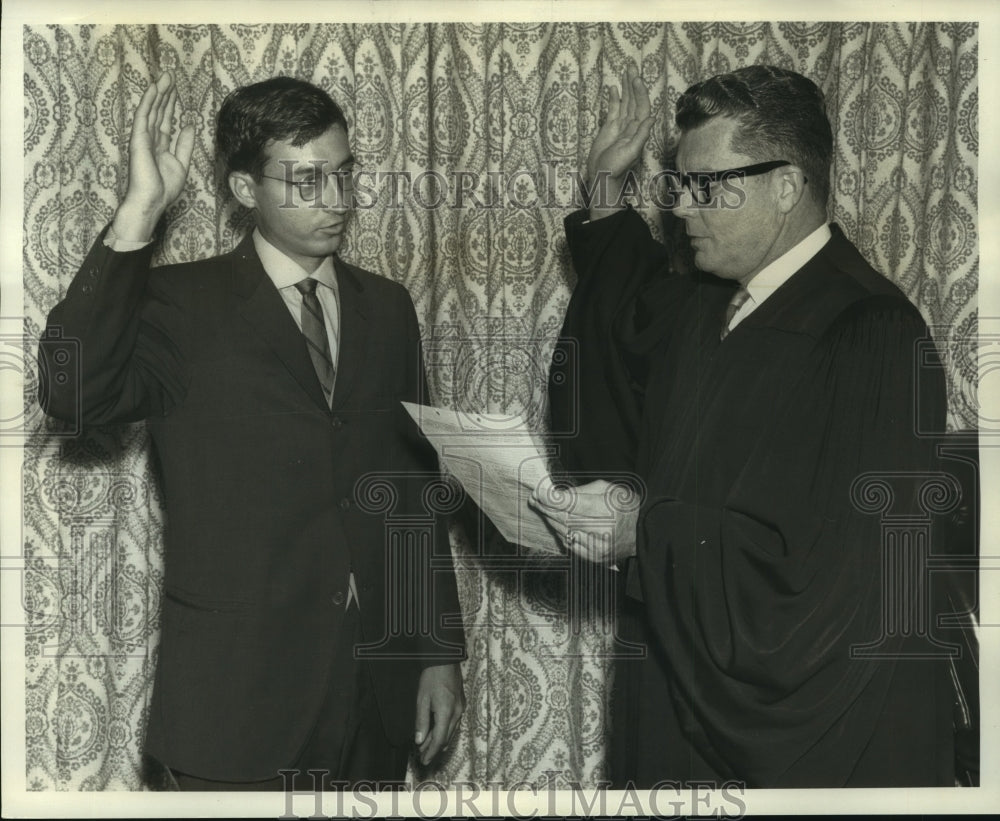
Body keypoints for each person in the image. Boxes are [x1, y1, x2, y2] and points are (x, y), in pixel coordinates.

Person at [38, 73, 465, 790]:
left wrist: (437, 651)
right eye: (306, 181)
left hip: (372, 700)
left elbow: (413, 491)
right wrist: (139, 212)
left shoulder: (387, 308)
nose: (336, 199)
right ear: (244, 190)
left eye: (343, 174)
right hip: (234, 712)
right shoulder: (180, 304)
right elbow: (72, 394)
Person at [533, 64, 953, 787]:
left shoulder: (871, 333)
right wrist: (606, 190)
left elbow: (838, 578)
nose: (680, 209)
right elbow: (626, 329)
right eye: (677, 186)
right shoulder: (712, 303)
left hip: (796, 741)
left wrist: (647, 532)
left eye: (703, 187)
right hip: (678, 699)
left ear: (786, 185)